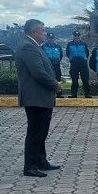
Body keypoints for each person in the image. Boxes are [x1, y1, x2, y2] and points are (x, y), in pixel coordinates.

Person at [15, 19, 62, 177]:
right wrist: (55, 84)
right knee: (36, 131)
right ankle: (30, 166)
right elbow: (38, 72)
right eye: (42, 30)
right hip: (36, 97)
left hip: (40, 96)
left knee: (41, 131)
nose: (44, 33)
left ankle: (41, 160)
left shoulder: (34, 46)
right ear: (34, 32)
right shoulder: (28, 46)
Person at [66, 31, 91, 98]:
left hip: (83, 64)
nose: (76, 37)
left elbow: (87, 53)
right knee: (74, 80)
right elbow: (68, 53)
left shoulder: (84, 44)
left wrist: (82, 59)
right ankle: (73, 94)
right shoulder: (69, 44)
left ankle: (87, 94)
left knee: (85, 79)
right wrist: (73, 59)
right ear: (73, 36)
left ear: (80, 36)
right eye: (75, 36)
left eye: (78, 36)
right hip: (74, 64)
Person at [42, 32, 64, 98]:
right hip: (47, 65)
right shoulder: (43, 46)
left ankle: (59, 93)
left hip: (56, 64)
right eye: (49, 38)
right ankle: (47, 93)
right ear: (47, 38)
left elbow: (61, 55)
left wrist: (57, 61)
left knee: (58, 78)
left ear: (54, 38)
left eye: (52, 38)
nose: (50, 39)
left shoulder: (58, 46)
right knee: (48, 79)